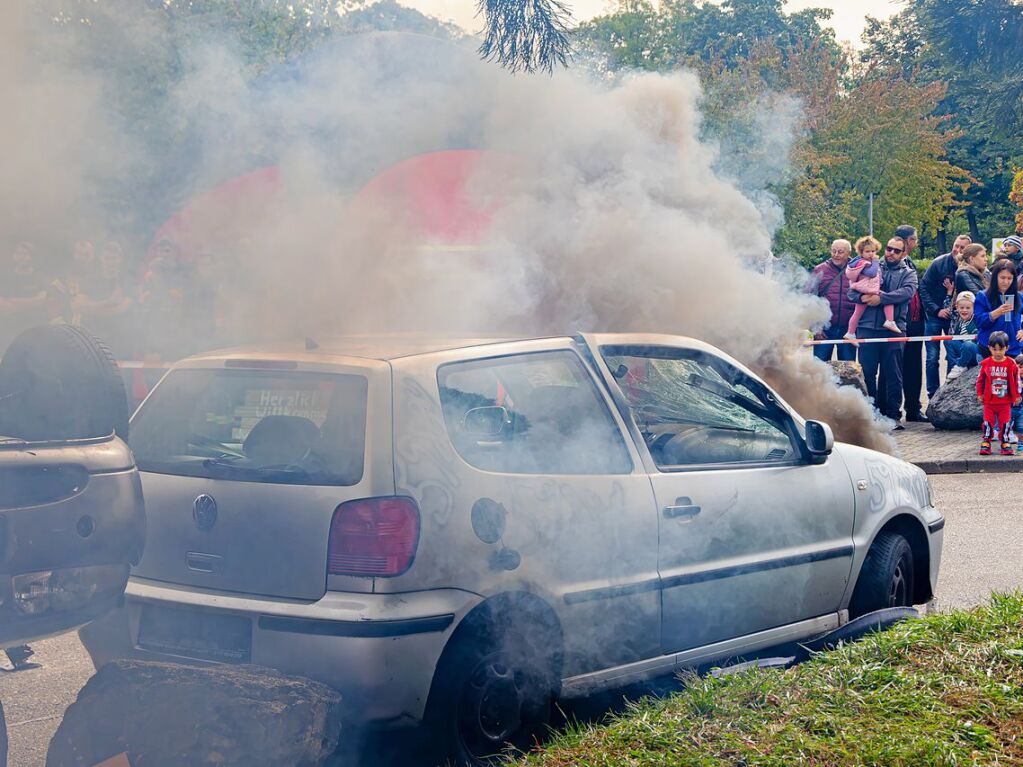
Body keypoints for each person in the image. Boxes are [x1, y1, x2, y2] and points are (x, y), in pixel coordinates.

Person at [849, 236, 917, 428]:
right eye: (889, 249)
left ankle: (893, 415)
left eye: (897, 250)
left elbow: (907, 293)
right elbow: (851, 291)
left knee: (893, 374)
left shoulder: (909, 273)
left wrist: (882, 299)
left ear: (904, 253)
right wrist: (863, 297)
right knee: (867, 373)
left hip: (895, 330)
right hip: (867, 328)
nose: (891, 253)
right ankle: (871, 413)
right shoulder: (869, 265)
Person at [920, 234, 972, 396]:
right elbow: (923, 288)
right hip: (934, 317)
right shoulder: (938, 263)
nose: (957, 250)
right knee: (931, 358)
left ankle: (948, 395)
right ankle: (932, 395)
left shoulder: (970, 267)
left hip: (957, 319)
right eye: (956, 245)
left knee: (954, 357)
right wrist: (936, 310)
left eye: (962, 248)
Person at [894, 225, 926, 422]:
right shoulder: (888, 264)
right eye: (914, 239)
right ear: (907, 241)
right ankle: (892, 411)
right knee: (896, 369)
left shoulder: (911, 263)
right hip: (899, 324)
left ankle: (913, 408)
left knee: (914, 367)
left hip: (916, 323)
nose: (916, 243)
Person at [809, 239, 856, 362]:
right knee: (819, 367)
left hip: (848, 329)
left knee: (849, 368)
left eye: (840, 252)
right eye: (834, 251)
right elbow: (808, 299)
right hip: (824, 328)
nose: (836, 255)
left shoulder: (857, 271)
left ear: (848, 253)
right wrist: (815, 327)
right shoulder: (819, 270)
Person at [975, 331, 1021, 456]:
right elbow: (980, 380)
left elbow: (1017, 380)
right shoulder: (985, 364)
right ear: (989, 348)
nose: (998, 352)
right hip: (989, 401)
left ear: (1007, 348)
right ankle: (986, 441)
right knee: (988, 422)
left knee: (1005, 423)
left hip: (1005, 402)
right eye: (994, 349)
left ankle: (1005, 441)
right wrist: (979, 393)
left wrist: (1017, 395)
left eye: (1001, 349)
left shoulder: (1011, 364)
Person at [844, 236, 900, 338]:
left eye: (873, 251)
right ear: (861, 253)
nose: (871, 254)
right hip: (869, 289)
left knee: (857, 313)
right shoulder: (863, 263)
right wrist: (875, 262)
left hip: (866, 290)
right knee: (888, 300)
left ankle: (850, 332)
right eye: (867, 251)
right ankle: (890, 320)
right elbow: (872, 273)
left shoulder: (864, 262)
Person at [0, 241, 48, 348]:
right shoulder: (5, 276)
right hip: (9, 330)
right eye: (18, 254)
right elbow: (2, 304)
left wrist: (12, 302)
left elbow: (41, 301)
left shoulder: (39, 277)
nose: (21, 257)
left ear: (31, 257)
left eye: (25, 254)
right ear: (13, 256)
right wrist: (30, 303)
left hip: (33, 328)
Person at [974, 259, 1023, 359]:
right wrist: (996, 313)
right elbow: (979, 321)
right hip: (989, 349)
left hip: (1013, 349)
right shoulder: (983, 296)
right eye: (1002, 277)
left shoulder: (1019, 297)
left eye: (1010, 278)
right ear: (995, 277)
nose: (1006, 282)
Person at [945, 291, 980, 381]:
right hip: (963, 351)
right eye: (962, 307)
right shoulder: (960, 323)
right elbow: (956, 339)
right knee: (948, 340)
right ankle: (955, 367)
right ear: (957, 307)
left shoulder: (977, 320)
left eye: (968, 308)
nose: (964, 310)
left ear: (974, 308)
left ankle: (961, 364)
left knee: (968, 344)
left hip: (975, 352)